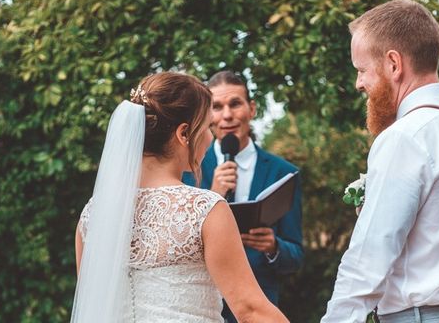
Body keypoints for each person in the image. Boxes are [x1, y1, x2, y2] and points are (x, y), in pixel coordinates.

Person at [321, 0, 439, 323]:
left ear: (393, 64)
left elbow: (368, 260)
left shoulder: (405, 137)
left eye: (362, 70)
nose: (358, 83)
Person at [72, 71, 289, 323]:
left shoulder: (92, 215)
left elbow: (94, 305)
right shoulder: (205, 209)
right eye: (207, 126)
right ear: (184, 134)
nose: (210, 137)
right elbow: (251, 311)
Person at [183, 70, 304, 323]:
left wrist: (273, 247)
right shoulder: (187, 169)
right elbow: (178, 242)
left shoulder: (284, 173)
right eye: (217, 107)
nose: (227, 115)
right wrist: (214, 195)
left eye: (235, 104)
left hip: (259, 309)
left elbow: (296, 256)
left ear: (251, 109)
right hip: (201, 307)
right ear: (207, 116)